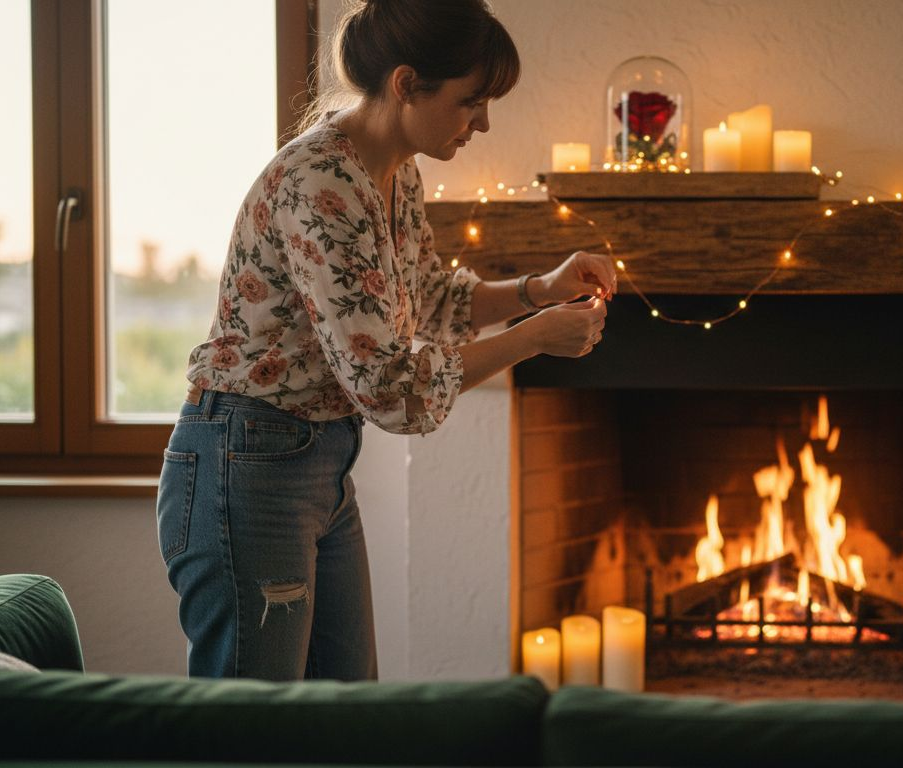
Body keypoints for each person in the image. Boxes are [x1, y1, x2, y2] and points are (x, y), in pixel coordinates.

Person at [155, 0, 616, 682]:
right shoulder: (321, 183)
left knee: (351, 722)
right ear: (407, 84)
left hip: (318, 464)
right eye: (470, 101)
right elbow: (392, 390)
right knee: (252, 738)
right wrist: (533, 339)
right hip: (247, 468)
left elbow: (429, 301)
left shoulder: (392, 170)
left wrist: (538, 290)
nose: (483, 121)